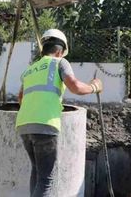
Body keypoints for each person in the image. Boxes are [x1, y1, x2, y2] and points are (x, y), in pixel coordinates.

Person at [16, 29, 103, 197]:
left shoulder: (30, 69)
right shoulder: (59, 62)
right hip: (45, 125)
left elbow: (21, 97)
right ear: (59, 51)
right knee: (46, 180)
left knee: (37, 172)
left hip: (24, 125)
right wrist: (94, 87)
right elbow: (75, 87)